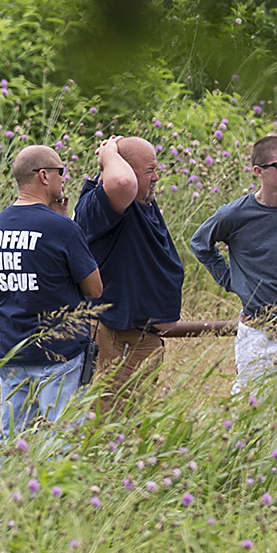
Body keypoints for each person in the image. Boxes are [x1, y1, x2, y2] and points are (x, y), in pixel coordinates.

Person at [0, 145, 103, 439]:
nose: (64, 179)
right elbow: (94, 288)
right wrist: (66, 223)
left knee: (13, 441)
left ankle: (5, 472)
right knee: (60, 443)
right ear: (43, 176)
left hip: (12, 349)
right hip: (58, 353)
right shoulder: (61, 228)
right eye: (60, 172)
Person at [74, 135, 186, 417]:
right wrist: (108, 152)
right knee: (110, 427)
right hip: (117, 341)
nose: (156, 177)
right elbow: (122, 182)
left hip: (138, 341)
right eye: (149, 171)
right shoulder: (101, 206)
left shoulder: (141, 203)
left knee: (132, 429)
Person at [190, 135, 277, 393]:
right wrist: (231, 280)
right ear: (259, 171)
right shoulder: (235, 214)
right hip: (259, 334)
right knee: (253, 407)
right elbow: (200, 244)